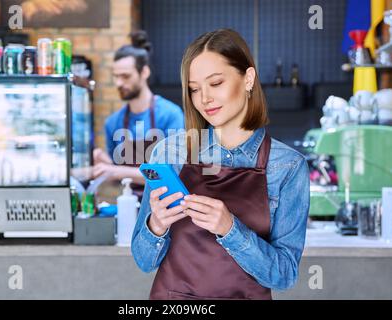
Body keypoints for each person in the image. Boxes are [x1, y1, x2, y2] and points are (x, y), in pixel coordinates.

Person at [131, 29, 310, 300]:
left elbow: (285, 275)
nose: (204, 99)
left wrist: (230, 229)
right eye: (194, 89)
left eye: (215, 83)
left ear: (248, 79)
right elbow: (144, 261)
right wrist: (157, 225)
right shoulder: (169, 152)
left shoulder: (287, 167)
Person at [88, 31, 184, 192]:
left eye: (125, 76)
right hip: (130, 204)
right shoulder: (113, 123)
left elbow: (174, 173)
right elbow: (117, 178)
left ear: (144, 72)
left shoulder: (170, 115)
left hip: (167, 206)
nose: (119, 83)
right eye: (116, 76)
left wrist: (117, 171)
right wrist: (105, 165)